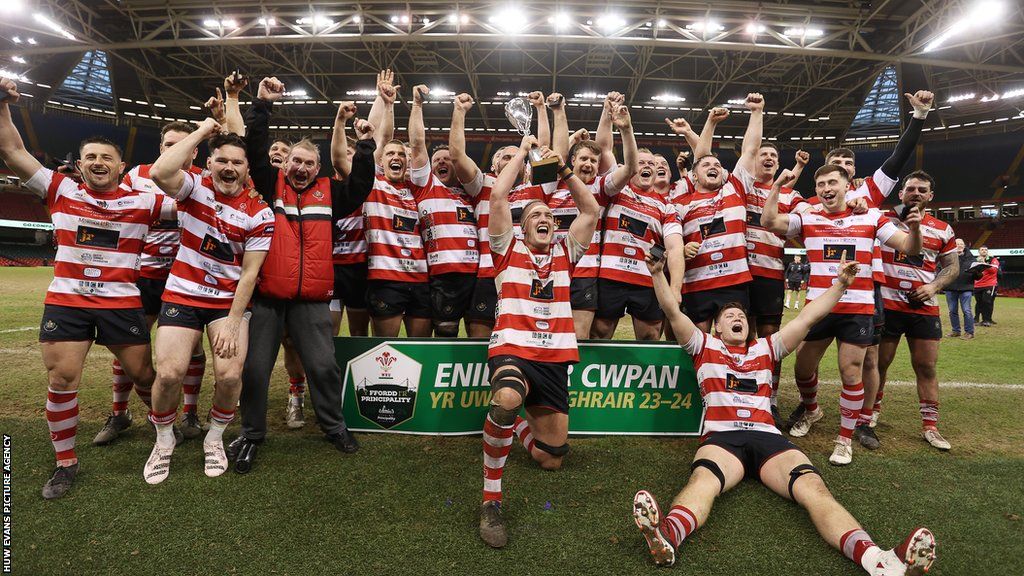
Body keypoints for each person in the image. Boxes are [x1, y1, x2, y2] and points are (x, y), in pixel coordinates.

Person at [632, 250, 937, 575]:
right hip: (722, 440)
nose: (738, 318)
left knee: (814, 489)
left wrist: (840, 285)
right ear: (717, 328)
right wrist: (656, 274)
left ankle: (879, 561)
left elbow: (807, 318)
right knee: (703, 481)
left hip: (769, 440)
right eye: (729, 316)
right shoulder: (703, 345)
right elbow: (671, 311)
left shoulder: (767, 347)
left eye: (742, 316)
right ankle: (666, 536)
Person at [0, 76, 172, 499]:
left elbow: (196, 201)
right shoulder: (59, 190)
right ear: (79, 165)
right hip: (68, 303)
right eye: (90, 156)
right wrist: (2, 103)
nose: (98, 162)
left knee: (145, 377)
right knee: (62, 379)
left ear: (120, 166)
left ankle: (164, 434)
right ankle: (65, 464)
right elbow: (11, 151)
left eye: (106, 157)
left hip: (121, 302)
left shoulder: (144, 202)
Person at [232, 76, 376, 473]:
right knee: (255, 370)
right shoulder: (268, 182)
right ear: (287, 163)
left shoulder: (331, 193)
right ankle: (251, 434)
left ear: (318, 168)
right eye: (296, 160)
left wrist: (365, 145)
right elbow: (256, 147)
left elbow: (362, 185)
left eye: (310, 163)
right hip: (267, 296)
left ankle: (334, 427)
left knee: (323, 367)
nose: (301, 167)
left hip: (312, 299)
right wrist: (262, 105)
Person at [478, 136, 600, 548]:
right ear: (522, 225)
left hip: (553, 361)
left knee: (551, 460)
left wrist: (562, 169)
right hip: (512, 350)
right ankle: (491, 501)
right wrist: (521, 151)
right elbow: (497, 194)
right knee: (508, 399)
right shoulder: (505, 249)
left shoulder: (567, 251)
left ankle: (522, 434)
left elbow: (590, 209)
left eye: (549, 214)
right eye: (534, 215)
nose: (544, 217)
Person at [761, 165, 923, 466]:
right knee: (802, 369)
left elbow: (909, 248)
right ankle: (812, 409)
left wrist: (914, 228)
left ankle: (844, 439)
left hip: (857, 309)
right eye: (820, 184)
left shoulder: (871, 216)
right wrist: (777, 187)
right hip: (817, 308)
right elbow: (769, 220)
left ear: (848, 186)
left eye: (832, 182)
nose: (825, 188)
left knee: (851, 372)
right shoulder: (808, 216)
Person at [143, 120, 273, 484]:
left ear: (247, 169)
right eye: (221, 160)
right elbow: (159, 170)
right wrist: (202, 131)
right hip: (183, 294)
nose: (229, 168)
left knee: (230, 375)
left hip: (227, 303)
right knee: (169, 373)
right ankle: (164, 439)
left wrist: (234, 321)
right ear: (209, 162)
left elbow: (250, 273)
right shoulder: (194, 186)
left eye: (237, 162)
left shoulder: (260, 211)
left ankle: (214, 438)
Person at [93, 121, 206, 446]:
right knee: (129, 347)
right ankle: (119, 413)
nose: (174, 150)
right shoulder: (137, 176)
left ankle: (190, 412)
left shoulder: (201, 179)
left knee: (192, 349)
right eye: (168, 144)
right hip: (141, 276)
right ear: (160, 148)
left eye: (182, 145)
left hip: (185, 278)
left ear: (194, 150)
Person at [874, 171, 957, 452]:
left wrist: (934, 287)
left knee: (926, 366)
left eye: (923, 190)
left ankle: (930, 427)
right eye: (911, 189)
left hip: (924, 307)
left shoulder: (942, 229)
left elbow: (952, 267)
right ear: (901, 193)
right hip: (887, 304)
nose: (916, 193)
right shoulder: (883, 220)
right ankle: (871, 412)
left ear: (931, 196)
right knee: (879, 363)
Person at [547, 91, 637, 339]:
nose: (588, 164)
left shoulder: (602, 187)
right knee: (545, 330)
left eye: (594, 161)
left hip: (586, 273)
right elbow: (554, 150)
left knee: (578, 336)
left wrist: (626, 129)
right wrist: (558, 111)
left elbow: (630, 168)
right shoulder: (552, 185)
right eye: (583, 158)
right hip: (549, 269)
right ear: (572, 160)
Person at [362, 71, 433, 338]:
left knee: (422, 350)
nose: (396, 157)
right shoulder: (374, 184)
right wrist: (387, 105)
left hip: (420, 278)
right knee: (385, 349)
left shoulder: (415, 190)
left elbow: (415, 147)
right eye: (391, 154)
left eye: (401, 154)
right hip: (385, 278)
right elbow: (378, 143)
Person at [409, 86, 480, 338]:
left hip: (478, 274)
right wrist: (417, 105)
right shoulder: (426, 187)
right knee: (445, 331)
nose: (441, 162)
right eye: (437, 159)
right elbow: (417, 146)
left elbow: (459, 155)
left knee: (479, 332)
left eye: (447, 158)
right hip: (444, 273)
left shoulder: (473, 191)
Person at [943, 239, 975, 339]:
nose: (960, 245)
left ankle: (969, 332)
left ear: (964, 246)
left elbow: (977, 276)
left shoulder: (971, 259)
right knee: (952, 311)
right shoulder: (947, 258)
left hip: (966, 288)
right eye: (957, 244)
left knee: (966, 310)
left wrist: (978, 273)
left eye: (961, 244)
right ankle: (956, 331)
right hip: (951, 288)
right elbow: (941, 270)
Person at [973, 246, 1000, 326]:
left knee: (986, 301)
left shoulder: (993, 260)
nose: (984, 251)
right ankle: (977, 318)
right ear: (979, 252)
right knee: (979, 302)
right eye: (982, 250)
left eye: (985, 250)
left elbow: (994, 270)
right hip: (977, 284)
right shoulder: (975, 260)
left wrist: (983, 263)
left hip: (989, 284)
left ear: (987, 251)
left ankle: (986, 320)